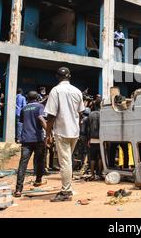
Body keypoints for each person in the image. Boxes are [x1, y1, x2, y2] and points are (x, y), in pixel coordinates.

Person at [45, 67, 85, 202]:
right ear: (70, 76)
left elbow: (51, 115)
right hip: (74, 132)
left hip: (62, 131)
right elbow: (81, 114)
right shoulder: (77, 91)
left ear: (57, 77)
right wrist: (77, 127)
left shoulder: (56, 90)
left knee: (65, 162)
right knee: (67, 161)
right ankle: (67, 188)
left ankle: (66, 191)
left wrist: (47, 133)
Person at [13, 91, 47, 197]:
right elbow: (41, 118)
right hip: (38, 139)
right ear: (37, 97)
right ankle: (38, 180)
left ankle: (18, 189)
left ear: (27, 98)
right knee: (40, 160)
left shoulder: (24, 108)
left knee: (23, 164)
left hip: (26, 140)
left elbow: (22, 121)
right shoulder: (40, 107)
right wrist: (49, 131)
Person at [87, 105, 102, 180]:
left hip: (92, 139)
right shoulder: (102, 114)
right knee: (100, 157)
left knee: (92, 158)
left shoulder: (90, 115)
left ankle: (92, 175)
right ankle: (99, 174)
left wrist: (88, 139)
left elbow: (88, 127)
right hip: (100, 139)